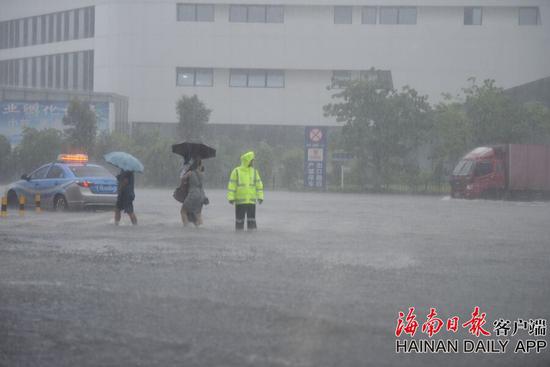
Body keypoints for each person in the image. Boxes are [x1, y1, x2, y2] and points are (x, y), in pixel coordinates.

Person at [227, 151, 264, 231]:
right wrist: (231, 198)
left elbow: (259, 185)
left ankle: (251, 240)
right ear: (247, 160)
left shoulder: (254, 172)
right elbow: (231, 185)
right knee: (239, 223)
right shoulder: (236, 171)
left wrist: (260, 197)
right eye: (252, 160)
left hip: (251, 202)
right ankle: (239, 239)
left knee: (252, 223)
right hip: (240, 202)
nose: (253, 162)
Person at [180, 159, 206, 227]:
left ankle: (186, 226)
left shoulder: (190, 172)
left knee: (183, 211)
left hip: (193, 194)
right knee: (198, 214)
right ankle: (200, 228)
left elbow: (182, 178)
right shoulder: (202, 173)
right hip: (202, 195)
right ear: (200, 165)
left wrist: (185, 171)